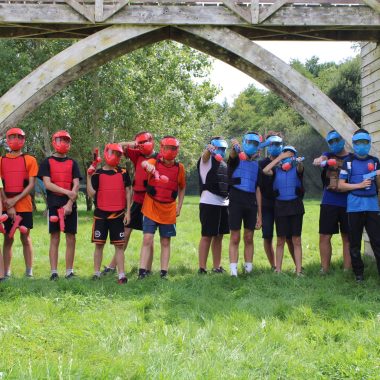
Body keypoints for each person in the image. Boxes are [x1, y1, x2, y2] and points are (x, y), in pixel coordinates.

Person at [102, 132, 157, 276]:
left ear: (152, 142)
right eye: (140, 143)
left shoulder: (159, 158)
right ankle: (112, 267)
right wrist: (132, 144)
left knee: (149, 236)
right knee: (125, 232)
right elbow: (117, 147)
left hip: (151, 200)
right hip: (137, 200)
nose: (142, 145)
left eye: (144, 142)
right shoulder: (137, 155)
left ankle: (147, 269)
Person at [138, 136, 186, 279]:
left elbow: (182, 187)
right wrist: (149, 166)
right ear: (162, 149)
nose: (170, 151)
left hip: (169, 209)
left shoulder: (180, 168)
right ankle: (142, 272)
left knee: (165, 241)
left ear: (176, 150)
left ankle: (163, 273)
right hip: (151, 207)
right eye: (167, 148)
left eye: (173, 148)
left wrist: (180, 206)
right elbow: (144, 164)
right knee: (147, 238)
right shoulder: (154, 162)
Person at [38, 131, 82, 280]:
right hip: (54, 205)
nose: (63, 142)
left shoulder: (73, 163)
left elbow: (76, 185)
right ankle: (54, 272)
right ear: (54, 141)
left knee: (71, 237)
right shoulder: (47, 162)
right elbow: (47, 184)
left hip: (70, 206)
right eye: (60, 139)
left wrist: (70, 203)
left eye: (66, 140)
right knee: (54, 237)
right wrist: (67, 192)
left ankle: (69, 272)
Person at [338, 129, 380, 282]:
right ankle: (359, 274)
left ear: (369, 143)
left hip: (372, 207)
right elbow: (341, 185)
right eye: (358, 142)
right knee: (354, 242)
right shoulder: (347, 162)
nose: (362, 145)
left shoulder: (375, 161)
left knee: (377, 241)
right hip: (354, 207)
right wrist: (360, 185)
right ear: (354, 143)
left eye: (365, 142)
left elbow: (378, 186)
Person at [87, 143, 132, 284]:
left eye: (119, 154)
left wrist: (128, 212)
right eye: (113, 153)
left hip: (118, 215)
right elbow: (91, 194)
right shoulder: (98, 173)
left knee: (119, 245)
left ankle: (121, 276)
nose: (116, 157)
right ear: (107, 153)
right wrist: (88, 177)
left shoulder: (123, 172)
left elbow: (128, 191)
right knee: (99, 245)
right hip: (101, 215)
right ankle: (96, 273)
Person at [0, 127, 38, 278]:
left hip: (24, 205)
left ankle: (29, 271)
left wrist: (14, 201)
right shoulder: (1, 160)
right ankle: (6, 271)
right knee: (8, 237)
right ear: (7, 140)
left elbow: (31, 185)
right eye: (12, 137)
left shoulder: (30, 160)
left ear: (24, 140)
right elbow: (0, 184)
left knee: (25, 236)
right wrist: (6, 202)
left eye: (19, 137)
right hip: (5, 204)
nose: (16, 140)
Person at [262, 146, 304, 275]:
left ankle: (298, 271)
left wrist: (298, 161)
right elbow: (265, 170)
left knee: (296, 239)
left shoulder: (297, 168)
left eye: (290, 155)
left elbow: (300, 168)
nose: (287, 157)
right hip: (280, 206)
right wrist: (279, 158)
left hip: (295, 206)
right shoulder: (275, 170)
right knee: (280, 240)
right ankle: (278, 270)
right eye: (285, 154)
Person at [313, 130, 351, 273]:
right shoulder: (328, 155)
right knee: (324, 235)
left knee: (347, 237)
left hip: (348, 202)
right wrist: (320, 160)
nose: (334, 144)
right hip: (329, 201)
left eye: (337, 140)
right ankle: (325, 269)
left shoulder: (352, 158)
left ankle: (347, 270)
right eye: (331, 142)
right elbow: (321, 159)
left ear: (343, 139)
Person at [228, 132, 262, 277]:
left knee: (249, 237)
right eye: (250, 142)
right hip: (235, 199)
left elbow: (258, 190)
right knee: (235, 237)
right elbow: (233, 154)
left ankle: (248, 270)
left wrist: (260, 214)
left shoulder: (256, 165)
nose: (252, 146)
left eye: (255, 144)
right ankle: (233, 272)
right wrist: (235, 146)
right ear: (245, 142)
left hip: (251, 202)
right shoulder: (236, 160)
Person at [259, 133, 295, 269]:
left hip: (284, 204)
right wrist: (259, 212)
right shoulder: (262, 163)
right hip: (267, 204)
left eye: (278, 144)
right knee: (267, 236)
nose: (276, 147)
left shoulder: (288, 163)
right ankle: (274, 266)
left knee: (289, 237)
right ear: (268, 146)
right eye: (272, 144)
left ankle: (298, 265)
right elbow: (260, 183)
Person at [197, 137, 229, 274]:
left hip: (224, 203)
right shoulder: (206, 161)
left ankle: (217, 267)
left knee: (219, 236)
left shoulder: (224, 164)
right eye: (219, 148)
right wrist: (208, 151)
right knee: (207, 235)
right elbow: (205, 157)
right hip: (209, 202)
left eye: (223, 149)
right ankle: (202, 268)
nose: (221, 151)